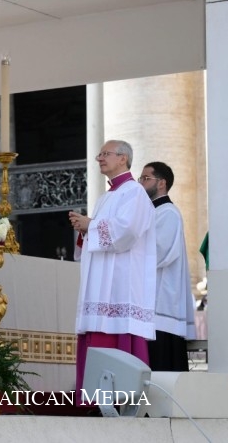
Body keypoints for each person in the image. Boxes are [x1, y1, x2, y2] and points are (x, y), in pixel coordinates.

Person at [68, 140, 156, 401]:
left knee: (117, 332)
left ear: (123, 158)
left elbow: (126, 232)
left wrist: (91, 225)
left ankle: (120, 399)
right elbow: (99, 235)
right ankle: (93, 399)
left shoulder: (134, 192)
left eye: (105, 154)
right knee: (96, 331)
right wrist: (84, 229)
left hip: (121, 283)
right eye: (99, 154)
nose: (99, 159)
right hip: (100, 283)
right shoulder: (106, 197)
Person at [139, 161, 196, 371]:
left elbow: (159, 252)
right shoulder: (151, 212)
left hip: (162, 304)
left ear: (161, 183)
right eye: (140, 178)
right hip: (150, 303)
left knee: (162, 370)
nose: (141, 183)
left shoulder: (168, 212)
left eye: (146, 178)